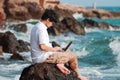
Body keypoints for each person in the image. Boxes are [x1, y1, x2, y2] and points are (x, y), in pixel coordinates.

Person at [30, 9, 89, 80]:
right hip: (42, 57)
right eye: (52, 22)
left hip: (39, 56)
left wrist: (55, 50)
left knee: (66, 52)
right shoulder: (41, 29)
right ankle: (78, 75)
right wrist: (53, 49)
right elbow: (42, 47)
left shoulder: (36, 26)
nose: (52, 24)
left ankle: (60, 63)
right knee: (73, 57)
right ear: (48, 19)